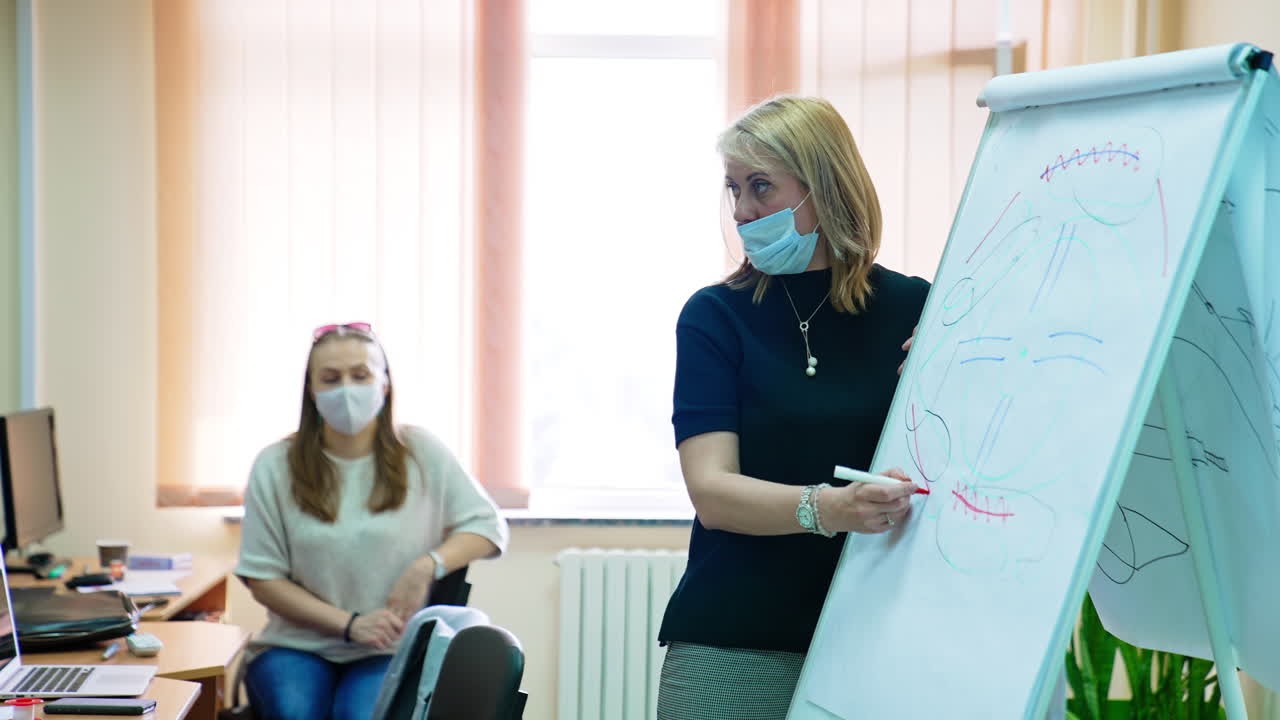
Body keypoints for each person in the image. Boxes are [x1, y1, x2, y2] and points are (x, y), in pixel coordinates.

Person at [656, 96, 928, 719]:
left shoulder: (921, 311)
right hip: (738, 640)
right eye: (734, 189)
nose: (741, 211)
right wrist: (831, 508)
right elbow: (712, 493)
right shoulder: (715, 316)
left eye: (760, 186)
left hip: (877, 635)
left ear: (824, 187)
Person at [236, 323, 509, 720]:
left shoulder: (422, 452)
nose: (347, 390)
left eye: (360, 375)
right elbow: (263, 578)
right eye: (331, 378)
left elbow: (488, 527)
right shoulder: (274, 465)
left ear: (385, 382)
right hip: (294, 648)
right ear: (311, 390)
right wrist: (350, 625)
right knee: (296, 713)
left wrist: (427, 565)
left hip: (391, 649)